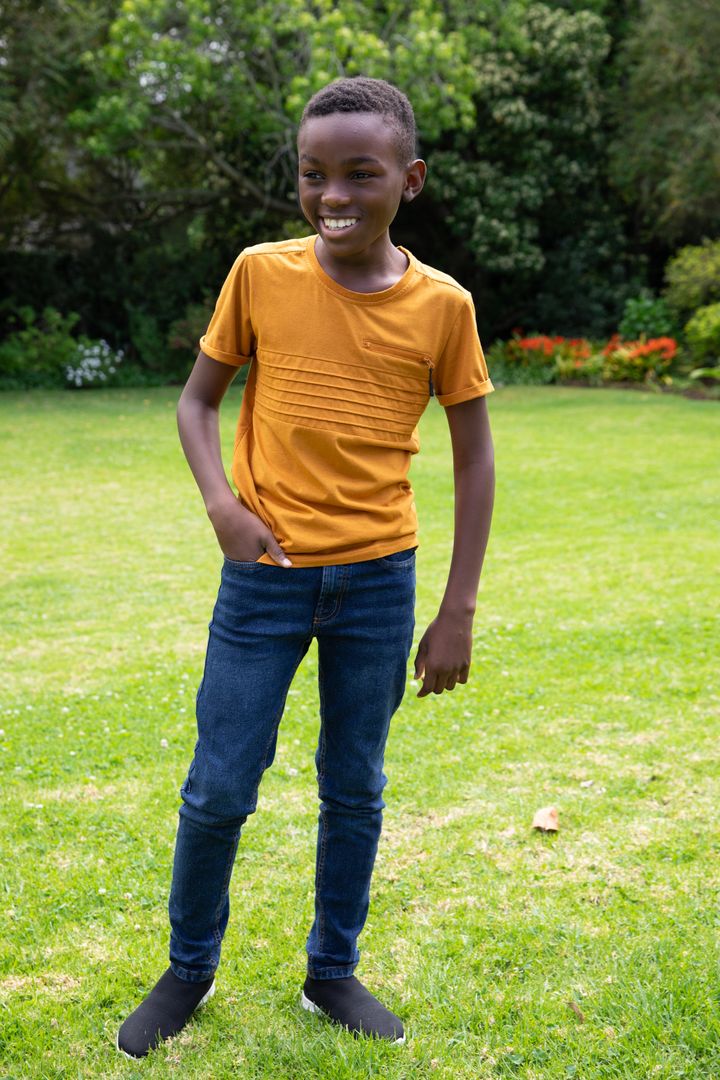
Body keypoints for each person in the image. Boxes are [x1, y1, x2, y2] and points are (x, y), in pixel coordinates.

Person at [117, 75, 495, 1059]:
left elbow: (475, 456)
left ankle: (333, 972)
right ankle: (189, 968)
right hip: (265, 579)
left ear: (408, 180)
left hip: (379, 583)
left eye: (360, 174)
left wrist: (456, 610)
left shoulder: (443, 307)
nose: (334, 193)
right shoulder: (258, 274)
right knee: (218, 787)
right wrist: (222, 507)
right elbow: (197, 402)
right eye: (313, 174)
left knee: (355, 787)